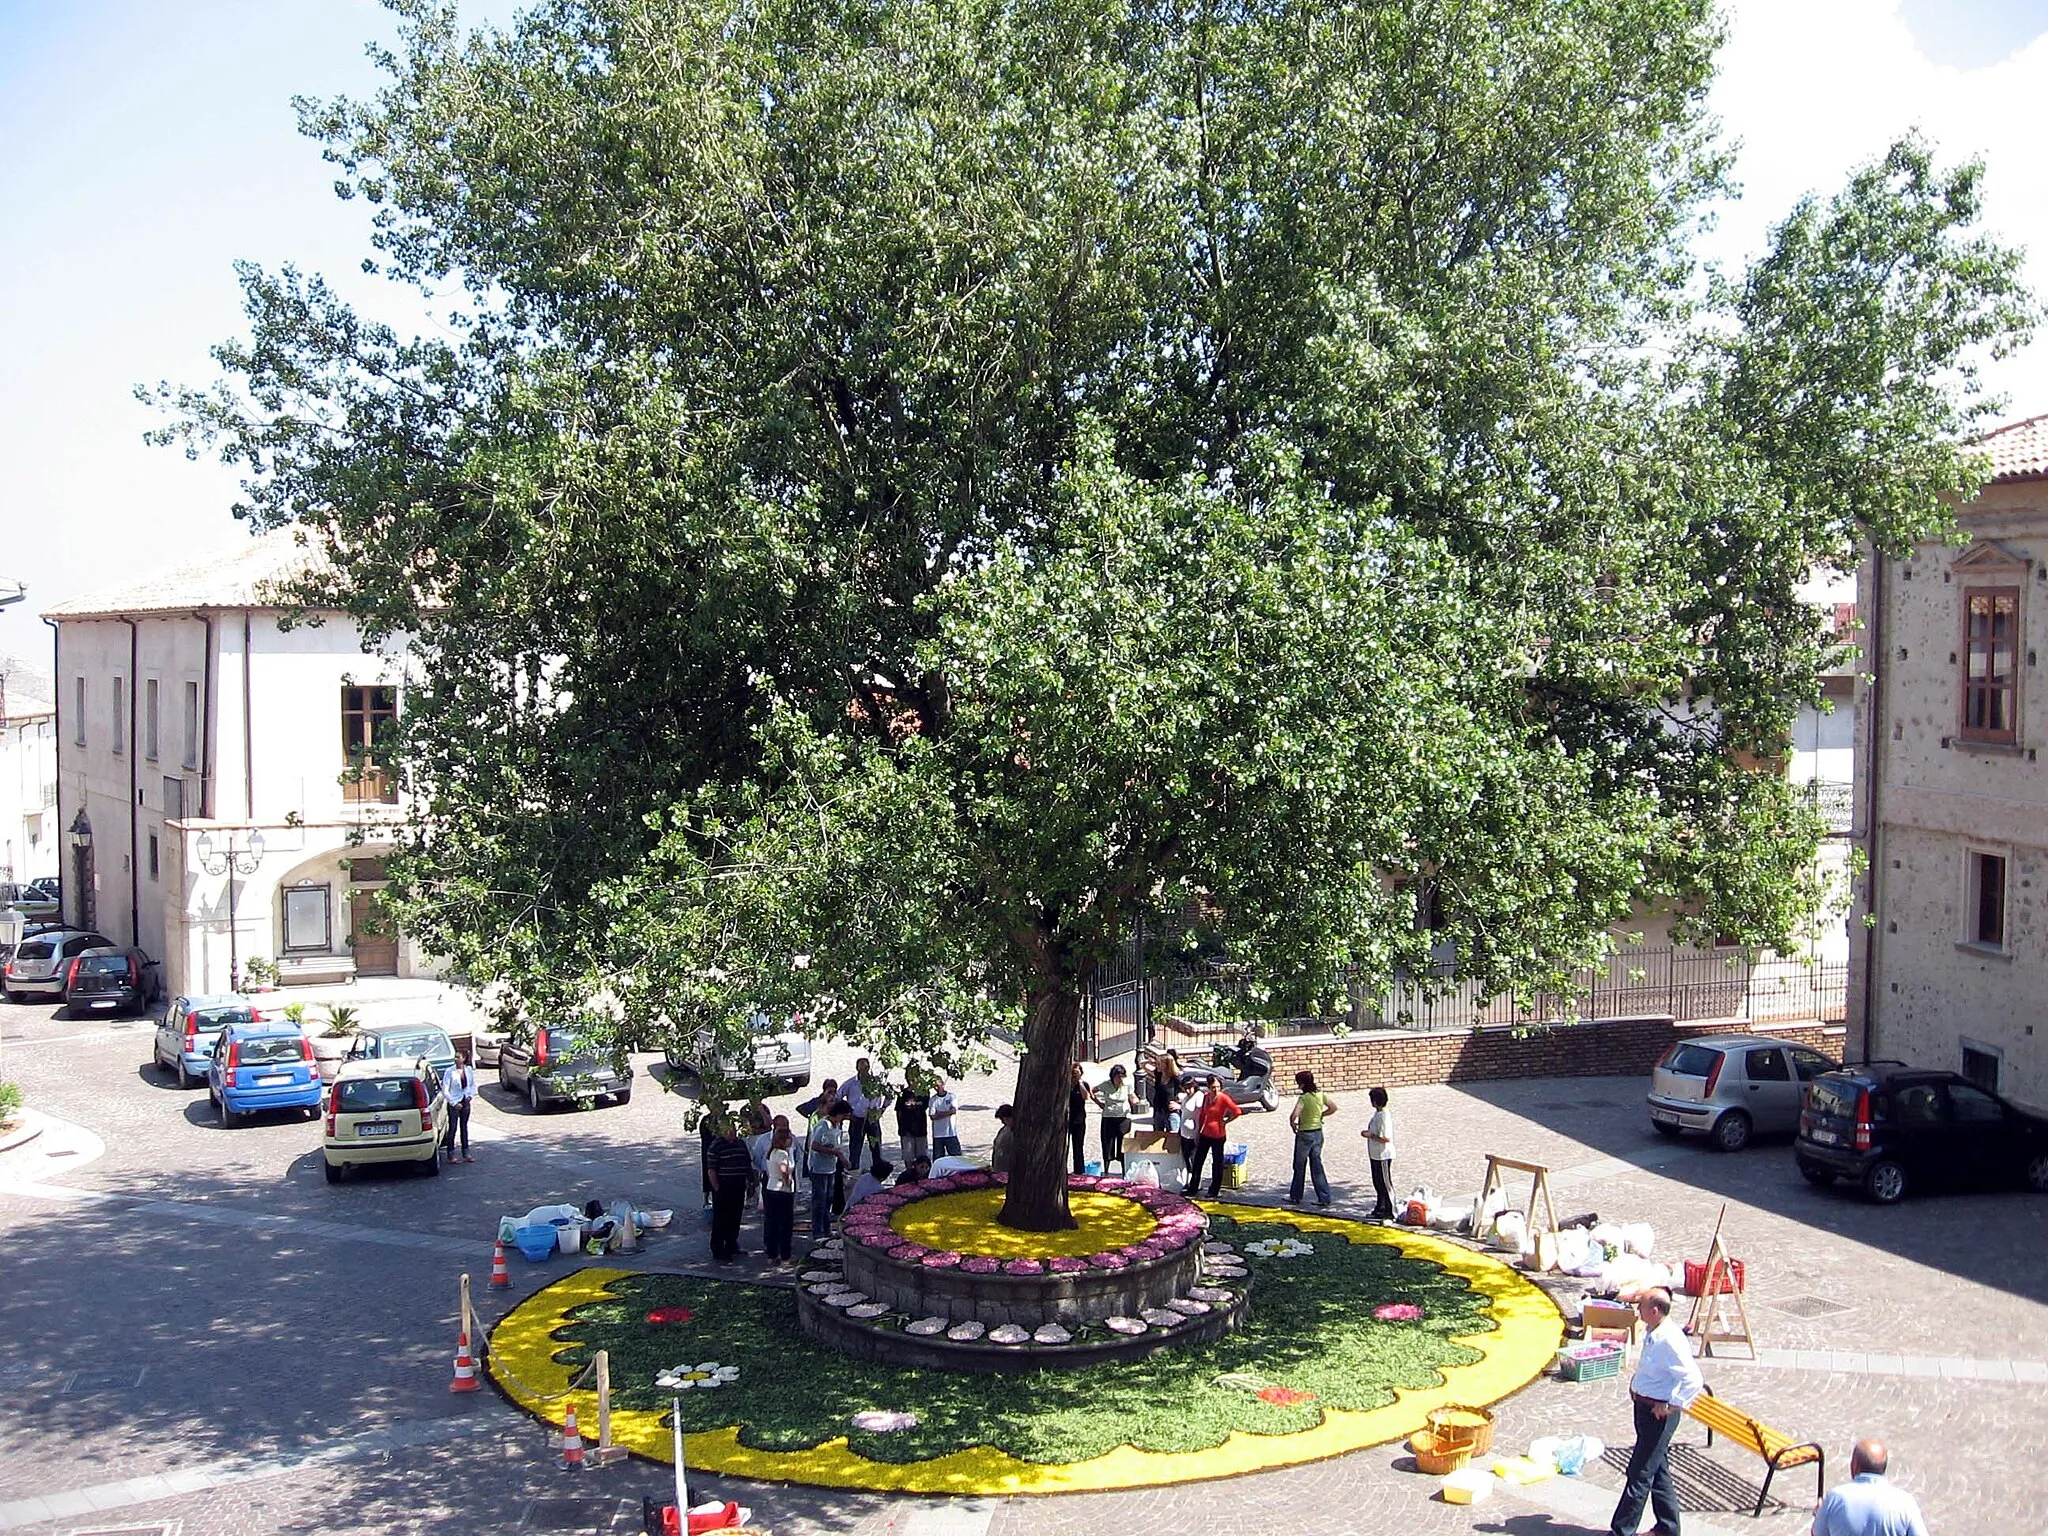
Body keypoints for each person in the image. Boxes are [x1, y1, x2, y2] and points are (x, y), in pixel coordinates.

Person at [1608, 1287, 1702, 1536]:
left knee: (1639, 1473)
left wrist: (1672, 1405)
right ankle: (1668, 1528)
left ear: (1655, 1310)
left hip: (1657, 1416)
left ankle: (1621, 1531)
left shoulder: (1669, 1339)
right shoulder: (1654, 1331)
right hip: (1645, 1408)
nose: (1637, 1311)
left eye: (1641, 1307)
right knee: (1657, 1469)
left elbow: (1693, 1379)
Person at [1809, 1440, 1930, 1536]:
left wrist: (1820, 1514)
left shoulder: (1835, 1498)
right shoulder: (1905, 1502)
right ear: (1884, 1466)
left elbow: (1817, 1534)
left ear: (1854, 1465)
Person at [706, 1117, 756, 1261]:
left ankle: (732, 1244)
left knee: (735, 1217)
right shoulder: (716, 1146)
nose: (732, 1132)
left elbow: (747, 1163)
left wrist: (751, 1183)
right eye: (728, 1130)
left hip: (738, 1185)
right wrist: (716, 1187)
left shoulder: (740, 1143)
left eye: (733, 1129)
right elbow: (711, 1169)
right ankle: (718, 1249)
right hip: (723, 1187)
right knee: (721, 1219)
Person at [1288, 1069, 1336, 1206]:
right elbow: (1333, 1108)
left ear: (1302, 1084)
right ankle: (1324, 1197)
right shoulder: (1321, 1094)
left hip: (1305, 1134)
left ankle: (1296, 1196)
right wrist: (1322, 1115)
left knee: (1299, 1165)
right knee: (1317, 1165)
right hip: (1318, 1133)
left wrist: (1293, 1124)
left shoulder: (1304, 1098)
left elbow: (1294, 1115)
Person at [1189, 1074, 1243, 1196]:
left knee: (1217, 1163)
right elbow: (1203, 1115)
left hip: (1218, 1135)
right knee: (1198, 1161)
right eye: (1213, 1087)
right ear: (1208, 1087)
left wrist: (1225, 1121)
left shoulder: (1223, 1098)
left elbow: (1237, 1111)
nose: (1216, 1090)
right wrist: (1199, 1132)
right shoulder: (1206, 1097)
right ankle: (1193, 1187)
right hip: (1205, 1133)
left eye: (1218, 1087)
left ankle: (1214, 1190)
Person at [806, 1102, 851, 1239]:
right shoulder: (823, 1125)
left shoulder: (836, 1126)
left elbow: (837, 1147)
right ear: (837, 1114)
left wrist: (843, 1159)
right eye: (843, 1116)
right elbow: (814, 1145)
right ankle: (818, 1232)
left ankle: (826, 1229)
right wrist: (831, 1151)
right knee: (819, 1200)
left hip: (830, 1167)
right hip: (819, 1168)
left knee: (828, 1199)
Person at [760, 1116, 798, 1267]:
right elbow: (784, 1169)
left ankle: (772, 1253)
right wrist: (788, 1181)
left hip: (770, 1188)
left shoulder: (772, 1152)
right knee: (785, 1225)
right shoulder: (782, 1154)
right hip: (782, 1191)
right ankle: (785, 1257)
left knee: (772, 1223)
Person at [844, 1058, 892, 1173]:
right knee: (855, 1149)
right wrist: (847, 1114)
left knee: (876, 1149)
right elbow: (838, 1096)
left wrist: (882, 1109)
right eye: (862, 1068)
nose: (865, 1071)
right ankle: (853, 1174)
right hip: (857, 1120)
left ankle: (879, 1173)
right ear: (857, 1069)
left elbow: (889, 1095)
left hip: (872, 1119)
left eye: (866, 1068)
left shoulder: (877, 1082)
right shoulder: (850, 1083)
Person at [1093, 1064, 1138, 1172]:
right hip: (1108, 1117)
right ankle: (1107, 1168)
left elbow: (1132, 1096)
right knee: (1108, 1143)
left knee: (1123, 1143)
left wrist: (1135, 1101)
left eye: (1122, 1077)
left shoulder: (1127, 1085)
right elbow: (1092, 1090)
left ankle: (1124, 1168)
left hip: (1123, 1118)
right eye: (1118, 1077)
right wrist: (1099, 1103)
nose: (1120, 1079)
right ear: (1113, 1076)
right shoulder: (1106, 1084)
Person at [1362, 1086, 1396, 1219]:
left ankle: (1391, 1210)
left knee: (1385, 1183)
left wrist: (1369, 1135)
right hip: (1375, 1154)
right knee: (1377, 1182)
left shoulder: (1383, 1116)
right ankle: (1380, 1208)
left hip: (1383, 1155)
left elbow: (1385, 1138)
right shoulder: (1378, 1114)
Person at [442, 1043, 477, 1164]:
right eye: (455, 1057)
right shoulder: (449, 1071)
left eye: (458, 1057)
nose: (456, 1059)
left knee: (464, 1127)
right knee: (453, 1128)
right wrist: (453, 1103)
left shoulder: (468, 1070)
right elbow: (445, 1089)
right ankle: (450, 1154)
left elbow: (472, 1085)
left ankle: (466, 1152)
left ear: (464, 1059)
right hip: (454, 1102)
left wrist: (470, 1096)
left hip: (465, 1100)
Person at [895, 1073, 931, 1169]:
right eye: (910, 1079)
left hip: (920, 1129)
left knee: (922, 1158)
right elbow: (898, 1111)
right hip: (906, 1131)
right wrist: (900, 1129)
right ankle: (910, 1176)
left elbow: (926, 1105)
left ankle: (922, 1177)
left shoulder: (923, 1092)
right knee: (908, 1157)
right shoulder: (903, 1094)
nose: (912, 1081)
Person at [1148, 1048, 1181, 1132]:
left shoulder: (1176, 1079)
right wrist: (1150, 1062)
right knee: (1157, 1134)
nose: (1157, 1065)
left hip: (1171, 1112)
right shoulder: (1159, 1075)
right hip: (1159, 1110)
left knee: (1172, 1137)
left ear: (1167, 1065)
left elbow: (1189, 1092)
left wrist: (1180, 1105)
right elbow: (1143, 1065)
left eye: (1159, 1063)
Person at [929, 1076, 961, 1159]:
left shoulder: (951, 1097)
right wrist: (947, 1112)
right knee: (938, 1159)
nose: (937, 1088)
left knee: (956, 1157)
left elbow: (953, 1110)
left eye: (938, 1086)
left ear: (943, 1084)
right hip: (938, 1134)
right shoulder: (933, 1100)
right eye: (935, 1086)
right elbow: (933, 1116)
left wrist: (940, 1113)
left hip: (950, 1133)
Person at [1067, 1062, 1091, 1174]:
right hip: (1066, 1120)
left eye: (1077, 1072)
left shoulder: (1083, 1084)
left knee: (1078, 1146)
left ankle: (1079, 1170)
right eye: (1073, 1072)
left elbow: (1086, 1097)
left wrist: (1079, 1082)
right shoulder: (1065, 1084)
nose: (1074, 1075)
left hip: (1079, 1120)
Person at [990, 1103, 1017, 1175]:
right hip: (999, 1168)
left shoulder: (1018, 1133)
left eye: (1006, 1119)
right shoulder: (1003, 1130)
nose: (1003, 1122)